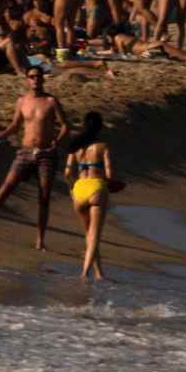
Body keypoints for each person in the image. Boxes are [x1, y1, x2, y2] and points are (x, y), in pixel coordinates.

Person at [0, 66, 69, 250]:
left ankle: (40, 240)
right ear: (27, 79)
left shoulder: (51, 101)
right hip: (25, 152)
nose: (35, 80)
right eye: (31, 77)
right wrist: (0, 137)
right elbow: (15, 125)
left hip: (46, 154)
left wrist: (57, 141)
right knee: (5, 188)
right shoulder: (22, 101)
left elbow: (65, 126)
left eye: (38, 77)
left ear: (43, 79)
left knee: (44, 196)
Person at [63, 111, 114, 282]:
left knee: (88, 233)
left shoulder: (75, 146)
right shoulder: (102, 147)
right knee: (94, 236)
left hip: (79, 190)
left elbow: (67, 172)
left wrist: (72, 189)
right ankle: (84, 273)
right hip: (96, 188)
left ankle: (99, 273)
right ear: (99, 128)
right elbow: (109, 174)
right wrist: (110, 183)